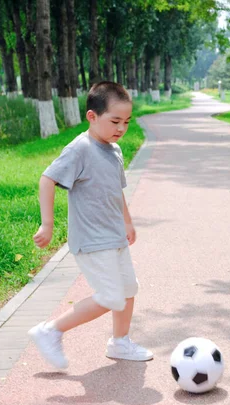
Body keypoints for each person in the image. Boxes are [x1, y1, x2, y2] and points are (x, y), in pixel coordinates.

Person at [29, 81, 153, 370]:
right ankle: (50, 331)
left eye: (126, 122)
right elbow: (47, 180)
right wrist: (47, 224)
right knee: (110, 296)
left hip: (114, 237)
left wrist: (127, 222)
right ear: (92, 116)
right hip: (92, 239)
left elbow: (116, 190)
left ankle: (120, 342)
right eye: (114, 121)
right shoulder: (80, 149)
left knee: (127, 289)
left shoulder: (115, 150)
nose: (121, 128)